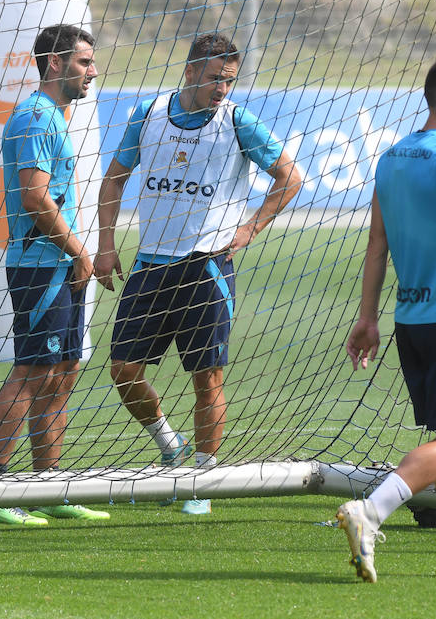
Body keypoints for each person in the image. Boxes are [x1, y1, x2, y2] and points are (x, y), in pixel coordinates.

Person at [94, 33, 302, 515]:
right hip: (149, 266)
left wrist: (252, 225)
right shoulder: (148, 114)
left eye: (229, 80)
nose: (222, 89)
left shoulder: (238, 122)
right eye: (214, 79)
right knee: (123, 373)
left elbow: (290, 177)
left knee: (207, 380)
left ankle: (199, 482)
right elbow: (113, 180)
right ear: (189, 72)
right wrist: (106, 244)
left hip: (206, 268)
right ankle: (170, 444)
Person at [339, 57, 436, 582]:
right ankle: (370, 511)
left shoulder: (390, 158)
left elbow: (376, 245)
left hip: (411, 320)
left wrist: (367, 318)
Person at [0, 24, 110, 527]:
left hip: (61, 264)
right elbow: (33, 196)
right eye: (84, 63)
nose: (93, 72)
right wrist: (78, 251)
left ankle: (48, 486)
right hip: (40, 267)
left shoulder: (53, 115)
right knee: (31, 372)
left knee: (63, 371)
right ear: (55, 64)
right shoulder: (34, 117)